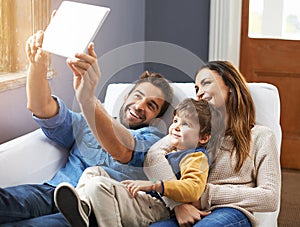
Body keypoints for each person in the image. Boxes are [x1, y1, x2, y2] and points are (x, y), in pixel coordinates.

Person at [0, 29, 173, 226]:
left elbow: (122, 150)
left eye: (151, 105)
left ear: (156, 119)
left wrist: (88, 99)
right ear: (125, 97)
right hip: (53, 191)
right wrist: (37, 65)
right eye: (138, 96)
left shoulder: (154, 140)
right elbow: (41, 108)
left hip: (92, 209)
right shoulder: (85, 121)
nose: (140, 106)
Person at [148, 61, 281, 227]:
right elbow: (153, 157)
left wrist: (204, 194)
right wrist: (178, 205)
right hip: (188, 210)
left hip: (231, 210)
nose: (199, 93)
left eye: (206, 83)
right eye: (196, 89)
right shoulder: (194, 131)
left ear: (230, 86)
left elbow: (270, 197)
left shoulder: (261, 136)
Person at [53, 98, 223, 227]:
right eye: (176, 121)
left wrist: (154, 184)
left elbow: (193, 189)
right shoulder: (172, 149)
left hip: (159, 207)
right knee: (94, 171)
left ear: (203, 137)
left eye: (186, 124)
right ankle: (84, 209)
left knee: (98, 186)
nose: (176, 127)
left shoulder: (196, 157)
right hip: (147, 198)